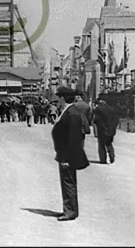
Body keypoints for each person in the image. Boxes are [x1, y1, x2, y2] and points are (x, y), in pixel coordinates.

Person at [51, 86, 89, 221]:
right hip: (64, 153)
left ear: (62, 98)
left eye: (58, 97)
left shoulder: (72, 114)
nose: (57, 100)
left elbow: (73, 138)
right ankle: (69, 209)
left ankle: (70, 211)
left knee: (68, 182)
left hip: (67, 155)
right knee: (67, 182)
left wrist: (67, 158)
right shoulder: (68, 111)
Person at [92, 99, 119, 164]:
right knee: (108, 143)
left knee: (101, 145)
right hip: (110, 130)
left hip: (101, 129)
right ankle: (111, 154)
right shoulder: (112, 109)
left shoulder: (97, 109)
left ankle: (103, 159)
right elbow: (116, 120)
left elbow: (95, 119)